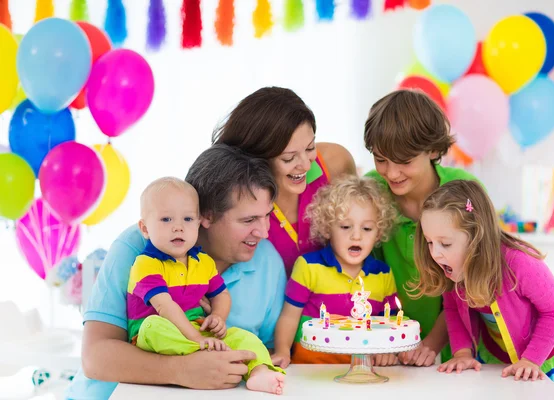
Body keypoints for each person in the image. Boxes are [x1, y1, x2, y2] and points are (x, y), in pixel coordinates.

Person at [66, 145, 287, 399]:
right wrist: (180, 370)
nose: (264, 232)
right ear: (206, 216)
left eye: (267, 216)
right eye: (248, 220)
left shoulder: (268, 261)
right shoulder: (138, 247)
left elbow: (267, 351)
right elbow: (95, 358)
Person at [411, 180, 554, 397]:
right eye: (430, 242)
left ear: (476, 236)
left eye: (445, 244)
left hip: (543, 352)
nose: (435, 253)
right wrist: (462, 353)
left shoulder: (520, 263)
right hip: (502, 352)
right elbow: (452, 309)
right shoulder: (453, 267)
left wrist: (531, 360)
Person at [127, 177, 285, 395]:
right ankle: (211, 357)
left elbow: (222, 295)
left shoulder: (203, 262)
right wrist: (198, 340)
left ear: (199, 222)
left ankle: (259, 373)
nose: (178, 228)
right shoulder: (146, 263)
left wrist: (218, 317)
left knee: (244, 336)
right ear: (145, 228)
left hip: (196, 332)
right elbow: (165, 307)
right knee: (153, 326)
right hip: (159, 336)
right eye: (166, 219)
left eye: (188, 219)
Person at [363, 89, 479, 366]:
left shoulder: (463, 192)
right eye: (381, 159)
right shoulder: (370, 191)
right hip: (389, 344)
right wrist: (386, 339)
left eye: (404, 161)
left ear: (434, 150)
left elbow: (471, 280)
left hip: (459, 344)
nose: (391, 173)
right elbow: (364, 276)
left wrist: (431, 343)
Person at [213, 86, 356, 277]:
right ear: (258, 156)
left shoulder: (335, 164)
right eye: (289, 158)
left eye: (310, 147)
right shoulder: (234, 200)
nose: (305, 165)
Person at [271, 175, 399, 367]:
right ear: (327, 228)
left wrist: (390, 352)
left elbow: (391, 324)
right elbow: (289, 316)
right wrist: (282, 351)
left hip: (363, 372)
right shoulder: (308, 267)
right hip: (310, 371)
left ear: (378, 232)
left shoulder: (382, 274)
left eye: (367, 228)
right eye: (345, 226)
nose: (356, 236)